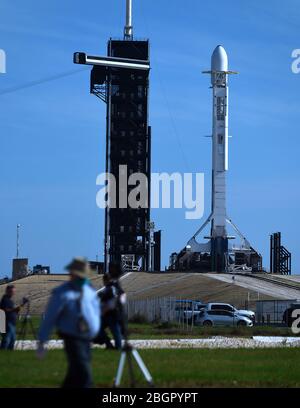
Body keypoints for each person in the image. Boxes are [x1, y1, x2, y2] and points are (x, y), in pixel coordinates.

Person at [37, 257, 100, 388]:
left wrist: (96, 330)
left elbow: (95, 313)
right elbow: (50, 318)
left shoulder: (90, 292)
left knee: (74, 375)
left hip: (86, 337)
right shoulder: (62, 293)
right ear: (72, 275)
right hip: (72, 337)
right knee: (85, 374)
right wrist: (42, 341)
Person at [94, 273, 124, 350]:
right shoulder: (109, 288)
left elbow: (113, 301)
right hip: (107, 314)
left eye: (104, 280)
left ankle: (117, 348)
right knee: (100, 328)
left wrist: (105, 309)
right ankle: (109, 344)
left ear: (106, 280)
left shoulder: (112, 288)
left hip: (112, 314)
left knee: (115, 331)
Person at [0, 285, 27, 350]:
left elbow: (15, 311)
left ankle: (9, 353)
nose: (13, 293)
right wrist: (15, 309)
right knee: (7, 339)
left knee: (12, 339)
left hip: (11, 322)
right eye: (11, 291)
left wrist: (22, 305)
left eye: (13, 292)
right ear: (7, 291)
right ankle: (3, 351)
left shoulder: (10, 301)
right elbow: (6, 310)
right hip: (7, 322)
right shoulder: (5, 300)